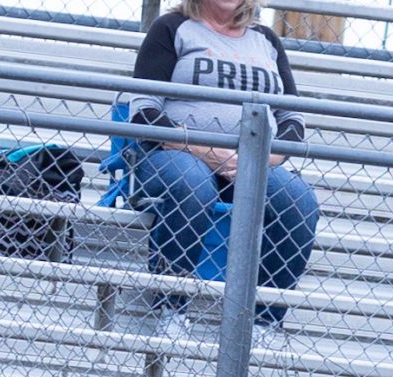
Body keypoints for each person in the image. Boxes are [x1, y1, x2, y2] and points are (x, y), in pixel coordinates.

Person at [126, 0, 322, 336]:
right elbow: (144, 111)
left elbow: (292, 119)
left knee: (298, 201)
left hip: (251, 162)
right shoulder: (172, 28)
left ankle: (264, 322)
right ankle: (171, 308)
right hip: (173, 154)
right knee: (193, 182)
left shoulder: (266, 40)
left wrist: (261, 158)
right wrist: (202, 149)